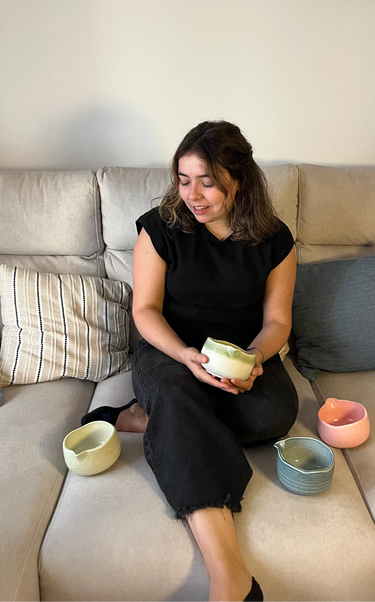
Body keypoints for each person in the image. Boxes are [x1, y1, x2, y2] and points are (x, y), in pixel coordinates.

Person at [82, 121, 298, 602]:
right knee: (177, 395)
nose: (193, 195)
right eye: (183, 180)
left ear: (238, 180)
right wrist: (185, 355)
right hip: (171, 352)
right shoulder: (160, 228)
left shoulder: (274, 239)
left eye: (207, 182)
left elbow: (277, 321)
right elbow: (145, 311)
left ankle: (151, 417)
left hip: (240, 355)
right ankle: (230, 576)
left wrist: (254, 359)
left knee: (274, 413)